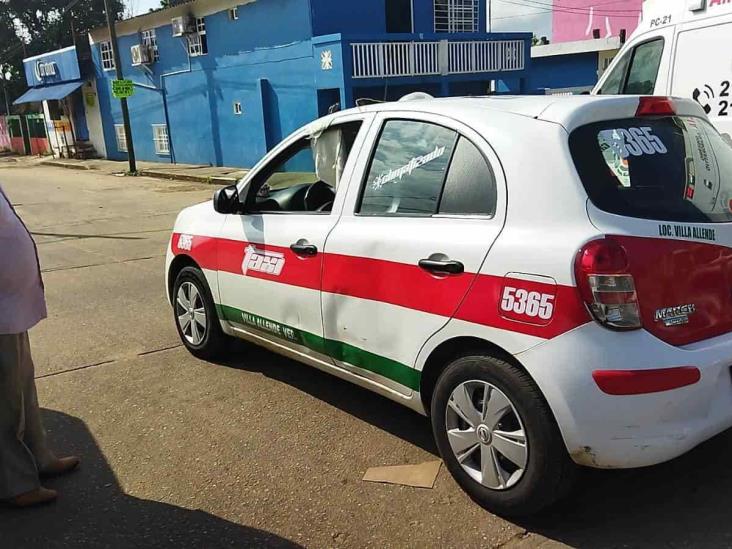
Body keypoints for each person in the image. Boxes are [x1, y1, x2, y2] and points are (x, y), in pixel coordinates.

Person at [0, 184, 79, 507]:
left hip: (13, 306)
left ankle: (40, 458)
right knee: (5, 402)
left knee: (22, 389)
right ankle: (17, 485)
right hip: (2, 312)